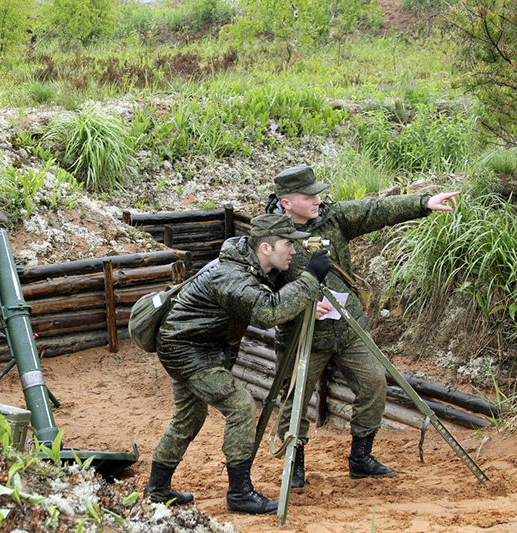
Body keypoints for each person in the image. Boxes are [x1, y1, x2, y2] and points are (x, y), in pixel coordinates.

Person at [267, 165, 459, 489]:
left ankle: (360, 458)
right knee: (294, 400)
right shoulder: (268, 235)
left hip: (347, 325)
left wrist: (424, 202)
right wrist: (301, 309)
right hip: (302, 334)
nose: (317, 199)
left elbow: (376, 209)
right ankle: (294, 463)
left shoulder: (333, 217)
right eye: (307, 195)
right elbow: (261, 294)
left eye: (317, 192)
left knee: (373, 382)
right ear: (286, 202)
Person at [145, 213, 334, 515]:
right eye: (289, 244)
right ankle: (239, 493)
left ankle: (157, 489)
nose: (295, 251)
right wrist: (310, 279)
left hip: (194, 346)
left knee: (189, 418)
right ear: (266, 249)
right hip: (187, 350)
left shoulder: (249, 266)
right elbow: (268, 311)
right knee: (241, 406)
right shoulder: (231, 275)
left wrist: (303, 307)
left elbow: (268, 300)